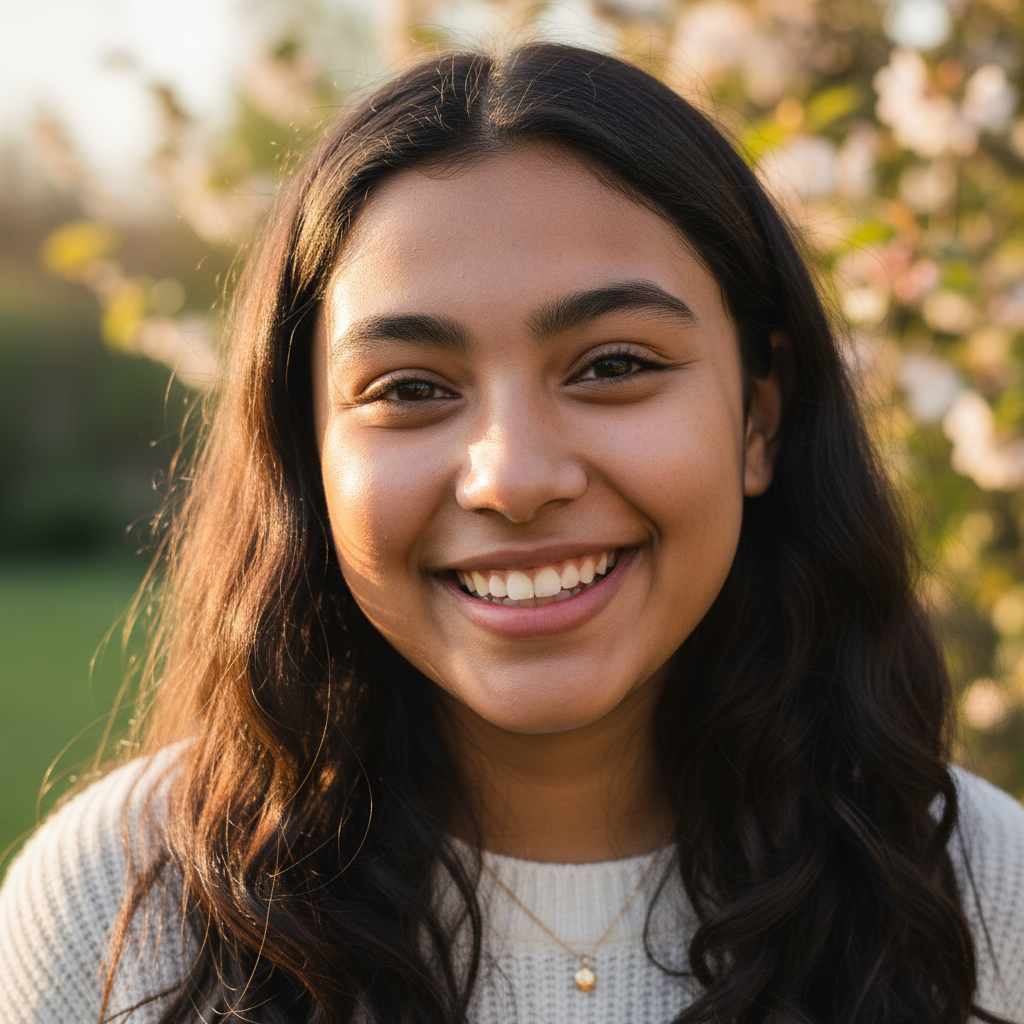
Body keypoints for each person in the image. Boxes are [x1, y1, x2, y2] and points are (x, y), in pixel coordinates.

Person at [1, 41, 1023, 1024]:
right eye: (408, 388)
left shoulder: (983, 894)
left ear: (758, 416)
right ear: (307, 451)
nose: (514, 478)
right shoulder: (122, 907)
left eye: (613, 365)